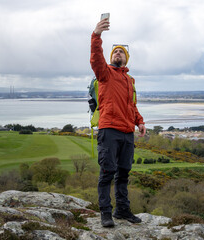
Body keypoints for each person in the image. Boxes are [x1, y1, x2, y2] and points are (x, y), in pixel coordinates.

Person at [90, 17, 146, 227]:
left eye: (121, 51)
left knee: (123, 174)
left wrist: (139, 122)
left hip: (127, 132)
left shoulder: (130, 81)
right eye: (115, 52)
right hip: (109, 130)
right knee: (107, 173)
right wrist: (96, 35)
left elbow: (131, 106)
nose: (117, 53)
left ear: (127, 58)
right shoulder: (105, 74)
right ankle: (106, 212)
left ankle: (122, 210)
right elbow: (95, 58)